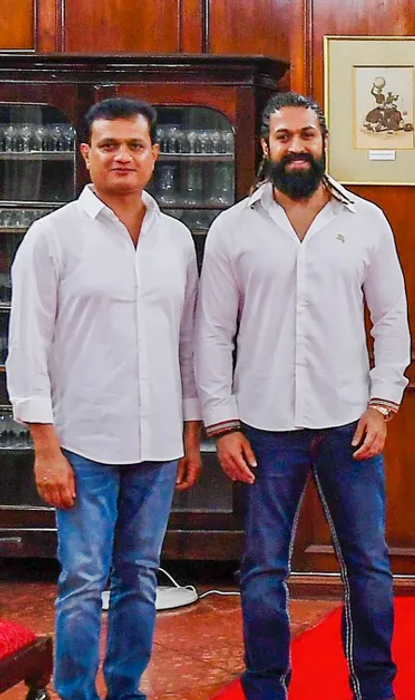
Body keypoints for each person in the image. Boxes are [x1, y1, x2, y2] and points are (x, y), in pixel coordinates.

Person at [196, 92, 410, 700]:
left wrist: (383, 402)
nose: (297, 147)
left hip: (350, 424)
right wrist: (223, 424)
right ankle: (265, 688)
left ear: (324, 142)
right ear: (265, 146)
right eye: (284, 136)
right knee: (264, 569)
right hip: (262, 428)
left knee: (368, 565)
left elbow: (391, 320)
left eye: (307, 136)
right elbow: (212, 330)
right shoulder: (235, 227)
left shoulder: (366, 221)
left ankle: (375, 688)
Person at [6, 97, 202, 700]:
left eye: (135, 146)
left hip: (158, 441)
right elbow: (27, 347)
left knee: (141, 577)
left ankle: (126, 689)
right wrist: (45, 448)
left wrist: (192, 433)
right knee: (84, 579)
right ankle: (74, 692)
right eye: (109, 146)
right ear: (86, 154)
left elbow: (189, 343)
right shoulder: (52, 237)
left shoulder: (176, 240)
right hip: (81, 442)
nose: (123, 156)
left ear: (154, 155)